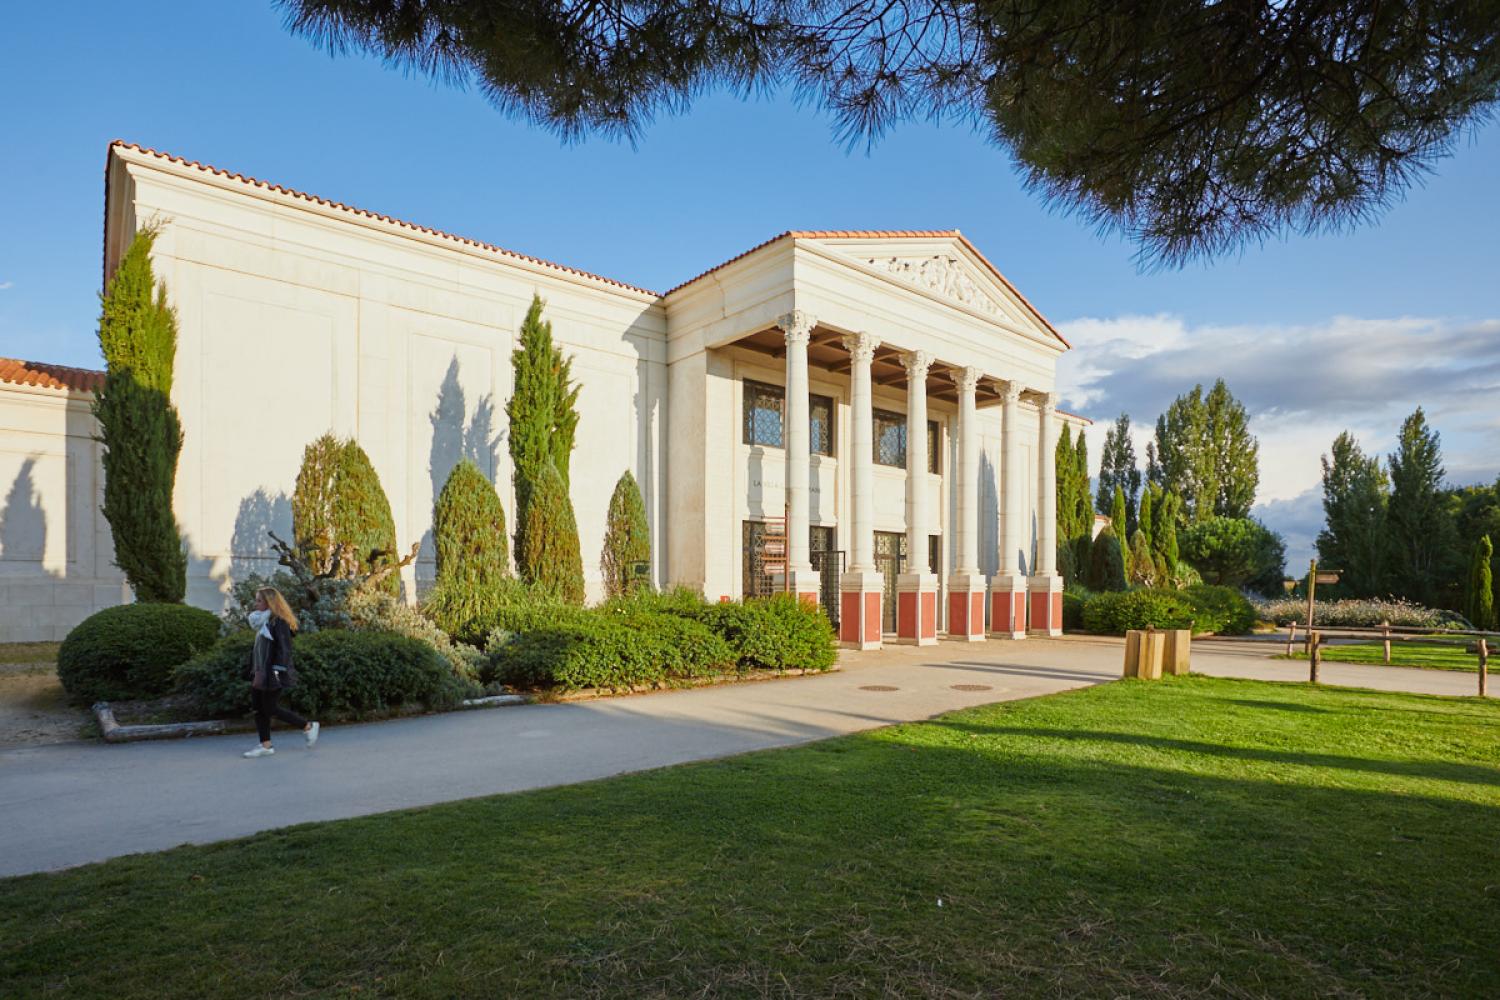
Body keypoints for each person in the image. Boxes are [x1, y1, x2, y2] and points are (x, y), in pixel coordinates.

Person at [242, 587, 319, 758]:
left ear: (270, 602)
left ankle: (308, 726)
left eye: (259, 600)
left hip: (272, 672)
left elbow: (284, 648)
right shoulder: (262, 621)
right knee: (258, 708)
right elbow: (259, 648)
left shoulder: (278, 622)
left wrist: (278, 670)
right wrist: (251, 669)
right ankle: (266, 746)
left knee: (270, 708)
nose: (256, 603)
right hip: (259, 671)